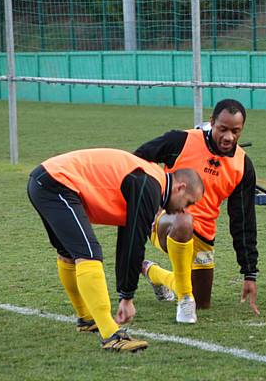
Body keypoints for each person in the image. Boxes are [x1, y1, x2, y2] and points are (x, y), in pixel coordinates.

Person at [27, 148, 203, 352]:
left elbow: (127, 237)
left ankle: (86, 319)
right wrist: (126, 297)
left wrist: (125, 293)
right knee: (88, 253)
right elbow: (133, 242)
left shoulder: (151, 178)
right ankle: (111, 335)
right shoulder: (150, 185)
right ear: (180, 188)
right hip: (56, 184)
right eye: (188, 203)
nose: (184, 210)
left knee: (69, 253)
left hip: (46, 180)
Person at [134, 99, 260, 315]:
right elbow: (137, 160)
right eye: (222, 129)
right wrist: (155, 197)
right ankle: (183, 300)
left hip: (204, 235)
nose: (228, 137)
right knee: (184, 222)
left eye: (235, 131)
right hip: (166, 220)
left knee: (201, 303)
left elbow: (243, 220)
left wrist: (249, 273)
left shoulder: (242, 165)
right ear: (211, 122)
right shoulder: (180, 140)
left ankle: (151, 272)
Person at [140, 208, 199, 324]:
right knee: (183, 223)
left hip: (205, 229)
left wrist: (246, 274)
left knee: (201, 297)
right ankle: (185, 297)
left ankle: (152, 272)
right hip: (169, 216)